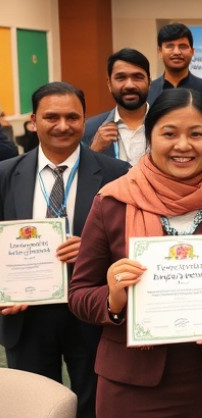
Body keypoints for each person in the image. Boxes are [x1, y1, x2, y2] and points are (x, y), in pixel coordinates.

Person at [68, 89, 202, 417]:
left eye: (197, 134)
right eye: (169, 133)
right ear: (150, 137)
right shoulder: (112, 203)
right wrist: (113, 299)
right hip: (131, 382)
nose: (183, 145)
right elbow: (78, 294)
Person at [0, 82, 130, 418]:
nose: (62, 125)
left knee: (94, 401)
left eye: (72, 117)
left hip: (91, 308)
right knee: (32, 403)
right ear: (33, 121)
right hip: (26, 312)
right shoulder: (4, 174)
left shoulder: (116, 174)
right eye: (51, 117)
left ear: (84, 119)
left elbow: (130, 242)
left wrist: (92, 250)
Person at [83, 48, 151, 165]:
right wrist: (94, 151)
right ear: (109, 84)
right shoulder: (89, 129)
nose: (129, 85)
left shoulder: (168, 126)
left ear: (149, 82)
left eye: (137, 77)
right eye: (121, 78)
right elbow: (80, 179)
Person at [147, 23, 202, 104]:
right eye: (170, 46)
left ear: (192, 51)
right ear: (160, 52)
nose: (177, 52)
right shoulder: (149, 90)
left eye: (183, 46)